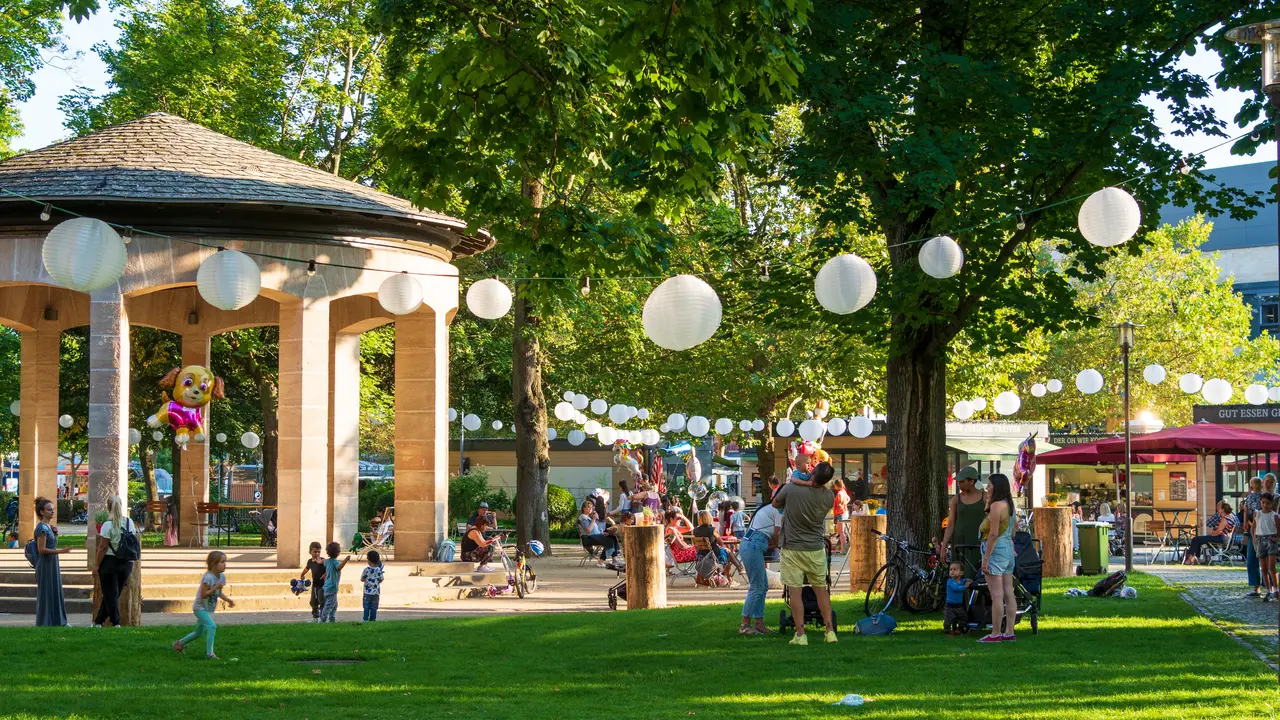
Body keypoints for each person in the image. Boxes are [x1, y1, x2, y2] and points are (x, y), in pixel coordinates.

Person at [772, 460, 837, 646]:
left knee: (795, 591)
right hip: (816, 547)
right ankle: (829, 630)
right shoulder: (828, 496)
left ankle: (800, 634)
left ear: (813, 473)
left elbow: (775, 503)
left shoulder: (792, 489)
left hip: (793, 547)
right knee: (821, 590)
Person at [172, 550, 234, 658]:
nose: (225, 564)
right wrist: (215, 587)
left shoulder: (222, 577)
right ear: (213, 564)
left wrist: (228, 600)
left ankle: (178, 644)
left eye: (225, 562)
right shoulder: (208, 578)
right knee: (212, 626)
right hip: (199, 608)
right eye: (222, 562)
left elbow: (218, 593)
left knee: (198, 632)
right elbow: (203, 595)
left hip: (208, 608)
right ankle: (210, 653)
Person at [978, 473, 1017, 643]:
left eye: (989, 486)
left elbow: (993, 534)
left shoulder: (996, 507)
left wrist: (985, 559)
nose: (987, 489)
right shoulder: (1009, 505)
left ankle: (995, 633)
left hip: (996, 550)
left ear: (997, 487)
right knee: (1009, 592)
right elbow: (1013, 531)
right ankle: (1009, 631)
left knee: (997, 595)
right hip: (1008, 549)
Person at [93, 495, 138, 628]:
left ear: (108, 507)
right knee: (112, 594)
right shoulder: (130, 522)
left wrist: (96, 566)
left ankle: (116, 622)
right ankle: (98, 622)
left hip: (110, 561)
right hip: (127, 562)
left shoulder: (107, 525)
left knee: (110, 594)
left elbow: (102, 547)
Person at [738, 499, 782, 635]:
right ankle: (745, 625)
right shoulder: (780, 509)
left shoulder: (768, 508)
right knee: (757, 587)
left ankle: (759, 624)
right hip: (754, 543)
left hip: (751, 542)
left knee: (762, 586)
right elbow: (777, 534)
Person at [939, 466, 985, 578]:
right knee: (958, 576)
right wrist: (943, 546)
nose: (959, 484)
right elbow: (950, 524)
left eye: (962, 481)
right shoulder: (956, 499)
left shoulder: (985, 497)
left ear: (971, 481)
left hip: (977, 543)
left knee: (975, 575)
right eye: (958, 482)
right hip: (959, 544)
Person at [33, 496, 68, 627]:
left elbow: (51, 543)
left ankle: (57, 621)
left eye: (53, 510)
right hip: (46, 563)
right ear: (42, 512)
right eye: (49, 510)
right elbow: (41, 549)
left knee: (55, 590)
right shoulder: (42, 528)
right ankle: (45, 622)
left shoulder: (48, 527)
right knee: (47, 593)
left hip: (52, 563)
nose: (52, 512)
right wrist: (60, 551)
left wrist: (56, 534)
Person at [692, 510, 733, 584]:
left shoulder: (695, 530)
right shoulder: (713, 529)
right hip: (714, 555)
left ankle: (721, 574)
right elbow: (721, 542)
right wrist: (725, 547)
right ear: (709, 518)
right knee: (728, 553)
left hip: (701, 555)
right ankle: (730, 579)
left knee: (727, 552)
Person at [1241, 477, 1264, 598]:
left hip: (1256, 530)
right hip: (1257, 530)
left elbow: (1247, 511)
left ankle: (1257, 587)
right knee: (1262, 560)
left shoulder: (1251, 498)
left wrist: (1247, 524)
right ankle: (1268, 587)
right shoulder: (1263, 497)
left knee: (1253, 560)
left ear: (1251, 487)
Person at [577, 500, 618, 566]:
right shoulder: (583, 517)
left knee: (612, 537)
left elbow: (595, 530)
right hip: (588, 538)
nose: (590, 509)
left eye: (591, 508)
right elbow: (588, 530)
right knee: (609, 541)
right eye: (588, 507)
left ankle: (614, 559)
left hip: (595, 536)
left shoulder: (588, 517)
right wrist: (594, 519)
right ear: (583, 508)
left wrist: (603, 533)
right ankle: (601, 562)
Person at [321, 541, 351, 622]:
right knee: (329, 606)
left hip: (327, 587)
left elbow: (324, 564)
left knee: (334, 605)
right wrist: (346, 560)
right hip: (332, 587)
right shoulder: (335, 562)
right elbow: (339, 568)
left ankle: (332, 619)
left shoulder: (327, 561)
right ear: (338, 553)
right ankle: (323, 620)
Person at [1256, 493, 1278, 601]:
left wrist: (1276, 537)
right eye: (1263, 502)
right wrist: (1254, 536)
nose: (1265, 505)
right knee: (1263, 568)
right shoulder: (1258, 514)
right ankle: (1268, 591)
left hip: (1271, 539)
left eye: (1267, 503)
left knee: (1271, 567)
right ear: (1260, 502)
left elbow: (1279, 528)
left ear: (1271, 503)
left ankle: (1276, 589)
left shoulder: (1274, 515)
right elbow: (1254, 526)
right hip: (1260, 539)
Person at [299, 541, 327, 622]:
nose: (317, 554)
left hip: (323, 586)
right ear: (310, 552)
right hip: (315, 585)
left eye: (319, 552)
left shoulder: (322, 561)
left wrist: (325, 574)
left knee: (322, 601)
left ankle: (323, 618)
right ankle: (315, 618)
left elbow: (329, 568)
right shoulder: (310, 562)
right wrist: (302, 574)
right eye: (315, 552)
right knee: (313, 602)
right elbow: (307, 568)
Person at [943, 561, 972, 635]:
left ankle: (960, 629)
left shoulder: (961, 581)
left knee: (963, 617)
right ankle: (947, 630)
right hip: (950, 606)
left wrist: (968, 580)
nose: (952, 571)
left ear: (961, 573)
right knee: (948, 619)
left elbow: (964, 580)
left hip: (959, 606)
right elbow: (956, 588)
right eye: (950, 569)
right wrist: (965, 586)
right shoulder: (950, 581)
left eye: (955, 569)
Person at [362, 550, 384, 621]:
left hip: (367, 592)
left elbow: (362, 578)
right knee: (374, 607)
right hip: (376, 592)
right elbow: (381, 579)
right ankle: (373, 619)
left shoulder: (366, 570)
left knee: (366, 606)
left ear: (369, 560)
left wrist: (366, 580)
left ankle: (365, 619)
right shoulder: (379, 570)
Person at [832, 478, 850, 553]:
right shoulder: (844, 491)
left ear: (837, 485)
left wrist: (840, 503)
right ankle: (843, 548)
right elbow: (848, 498)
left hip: (840, 513)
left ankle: (843, 549)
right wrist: (845, 503)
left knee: (841, 532)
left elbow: (840, 499)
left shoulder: (840, 493)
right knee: (842, 531)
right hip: (844, 512)